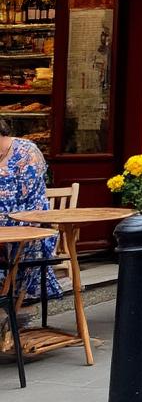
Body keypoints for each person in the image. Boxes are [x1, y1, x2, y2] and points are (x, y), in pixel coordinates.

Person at [0, 121, 61, 308]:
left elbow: (33, 209)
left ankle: (8, 310)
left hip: (26, 228)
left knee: (21, 247)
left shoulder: (27, 153)